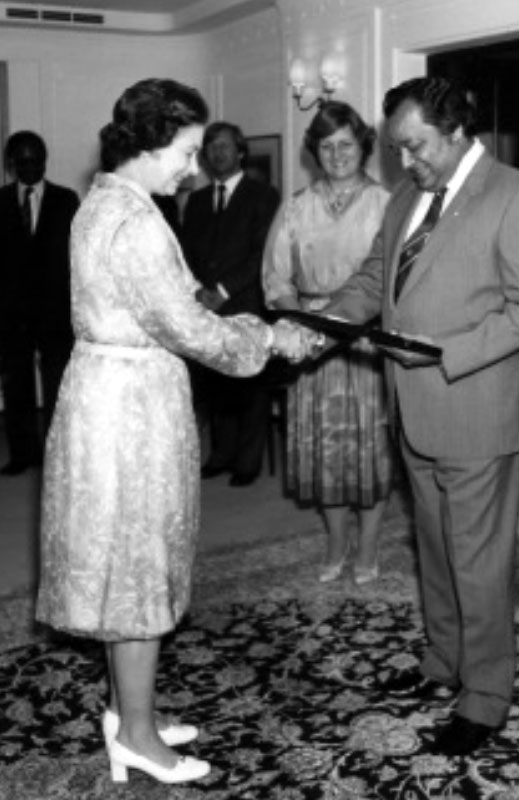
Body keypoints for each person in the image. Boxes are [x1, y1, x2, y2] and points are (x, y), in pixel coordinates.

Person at [35, 77, 312, 785]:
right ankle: (136, 737)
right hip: (129, 409)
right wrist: (269, 339)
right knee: (138, 571)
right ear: (151, 143)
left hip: (113, 394)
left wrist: (244, 320)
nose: (193, 166)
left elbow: (178, 297)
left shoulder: (110, 201)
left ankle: (133, 713)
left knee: (127, 568)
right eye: (186, 151)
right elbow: (191, 329)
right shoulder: (133, 220)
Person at [319, 77, 519, 755]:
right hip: (415, 410)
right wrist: (327, 321)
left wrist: (442, 355)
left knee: (478, 560)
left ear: (457, 131)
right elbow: (374, 281)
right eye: (397, 148)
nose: (405, 162)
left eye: (416, 146)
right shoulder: (407, 196)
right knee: (435, 548)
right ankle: (445, 661)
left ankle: (485, 696)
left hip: (476, 407)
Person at [263, 101, 399, 585]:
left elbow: (399, 281)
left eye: (346, 143)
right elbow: (276, 277)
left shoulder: (388, 204)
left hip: (365, 346)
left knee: (370, 449)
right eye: (327, 146)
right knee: (325, 454)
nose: (337, 154)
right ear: (314, 152)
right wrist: (295, 317)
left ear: (363, 145)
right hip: (312, 348)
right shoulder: (297, 206)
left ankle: (367, 548)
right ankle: (337, 544)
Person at [181, 122, 281, 486]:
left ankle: (247, 462)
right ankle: (220, 455)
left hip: (246, 303)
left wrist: (222, 290)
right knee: (216, 384)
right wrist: (198, 292)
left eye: (225, 146)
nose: (218, 153)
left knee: (250, 385)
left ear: (240, 152)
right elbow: (186, 254)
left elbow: (261, 255)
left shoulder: (263, 195)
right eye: (211, 148)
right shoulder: (195, 201)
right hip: (207, 308)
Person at [0, 131, 79, 475]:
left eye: (36, 160)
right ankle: (22, 454)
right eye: (22, 161)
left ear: (45, 161)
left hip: (55, 310)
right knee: (16, 385)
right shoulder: (0, 201)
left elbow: (75, 257)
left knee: (56, 384)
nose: (30, 167)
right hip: (12, 313)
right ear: (11, 164)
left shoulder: (66, 200)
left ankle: (56, 454)